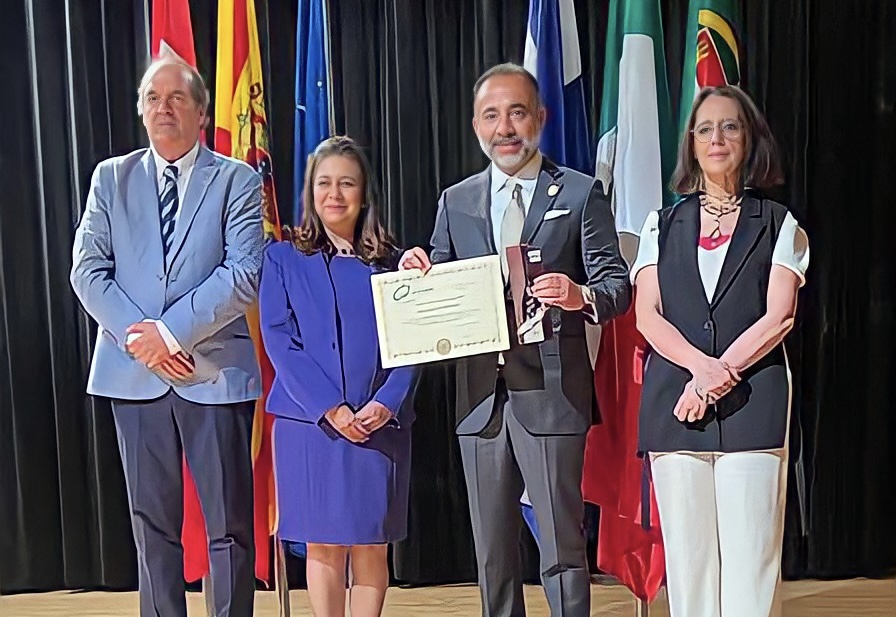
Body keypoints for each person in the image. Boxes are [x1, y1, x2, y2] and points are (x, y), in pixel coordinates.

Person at [400, 63, 631, 617]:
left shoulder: (580, 192)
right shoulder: (457, 200)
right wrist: (419, 271)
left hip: (552, 394)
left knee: (562, 550)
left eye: (517, 112)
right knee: (492, 554)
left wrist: (578, 295)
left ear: (540, 118)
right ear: (476, 125)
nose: (504, 128)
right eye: (491, 115)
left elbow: (617, 286)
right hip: (480, 399)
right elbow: (442, 280)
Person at [70, 57, 263, 617]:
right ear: (142, 111)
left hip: (214, 374)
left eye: (177, 98)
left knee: (229, 527)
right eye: (153, 98)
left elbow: (243, 273)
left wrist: (171, 334)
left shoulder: (237, 180)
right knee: (151, 527)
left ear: (201, 111)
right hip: (133, 375)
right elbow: (87, 270)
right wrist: (145, 342)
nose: (164, 108)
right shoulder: (111, 177)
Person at [631, 85, 810, 617]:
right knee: (690, 566)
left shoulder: (778, 223)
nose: (716, 138)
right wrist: (699, 371)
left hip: (752, 406)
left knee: (751, 562)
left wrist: (717, 376)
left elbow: (779, 317)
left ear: (749, 139)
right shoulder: (661, 224)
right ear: (691, 143)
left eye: (730, 126)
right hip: (675, 408)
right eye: (705, 129)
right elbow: (647, 316)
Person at [259, 136, 416, 617]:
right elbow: (280, 340)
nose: (334, 193)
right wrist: (330, 408)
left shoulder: (395, 264)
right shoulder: (281, 259)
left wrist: (385, 403)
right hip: (310, 428)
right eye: (324, 183)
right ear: (310, 192)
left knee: (371, 546)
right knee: (322, 546)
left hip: (379, 424)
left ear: (364, 193)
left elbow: (414, 342)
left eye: (347, 183)